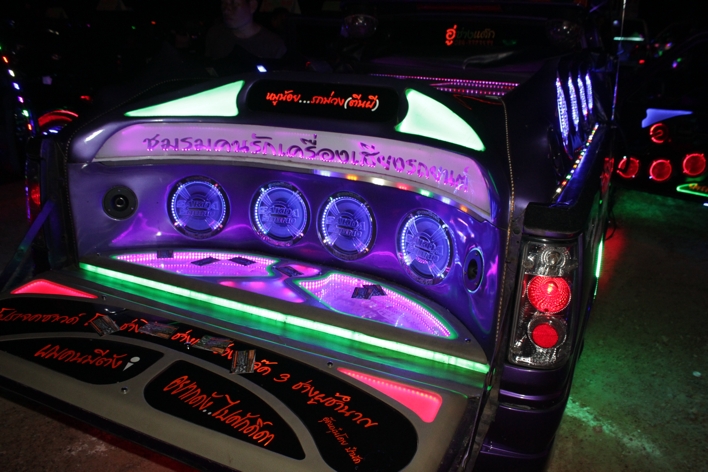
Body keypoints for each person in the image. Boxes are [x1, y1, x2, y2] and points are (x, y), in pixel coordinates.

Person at [205, 0, 287, 63]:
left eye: (234, 3)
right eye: (223, 3)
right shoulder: (215, 34)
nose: (226, 10)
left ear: (252, 6)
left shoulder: (274, 45)